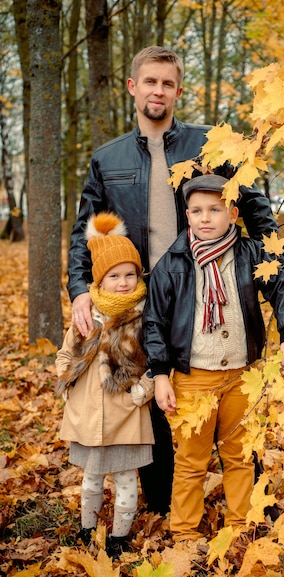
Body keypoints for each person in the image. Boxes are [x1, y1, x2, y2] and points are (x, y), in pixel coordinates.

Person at [66, 46, 278, 516]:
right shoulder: (107, 158)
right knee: (155, 398)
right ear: (133, 87)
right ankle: (166, 506)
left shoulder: (209, 145)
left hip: (208, 289)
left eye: (167, 83)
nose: (157, 90)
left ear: (178, 91)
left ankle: (253, 504)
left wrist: (269, 273)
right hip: (140, 299)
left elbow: (257, 210)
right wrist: (80, 289)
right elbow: (86, 230)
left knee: (230, 398)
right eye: (150, 82)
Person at [142, 174, 284, 543]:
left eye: (214, 209)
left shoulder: (250, 254)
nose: (205, 218)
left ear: (232, 213)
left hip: (240, 376)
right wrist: (161, 375)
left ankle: (240, 526)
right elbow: (154, 321)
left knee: (240, 455)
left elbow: (283, 288)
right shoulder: (173, 263)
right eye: (197, 211)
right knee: (190, 461)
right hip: (192, 377)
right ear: (187, 216)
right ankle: (184, 534)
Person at [56, 212, 155, 559]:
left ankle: (119, 536)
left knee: (127, 478)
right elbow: (66, 351)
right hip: (88, 412)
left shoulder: (143, 316)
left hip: (125, 413)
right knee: (91, 480)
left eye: (130, 274)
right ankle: (88, 528)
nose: (124, 282)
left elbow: (154, 360)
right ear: (100, 279)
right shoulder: (87, 316)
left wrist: (143, 391)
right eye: (114, 276)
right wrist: (65, 380)